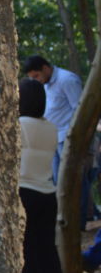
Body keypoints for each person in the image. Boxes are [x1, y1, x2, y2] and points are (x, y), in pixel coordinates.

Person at [19, 77, 63, 273]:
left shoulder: (19, 125)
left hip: (25, 193)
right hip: (48, 194)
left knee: (28, 257)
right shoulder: (52, 128)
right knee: (48, 254)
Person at [24, 55, 82, 183]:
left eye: (36, 76)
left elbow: (79, 110)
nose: (36, 80)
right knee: (57, 181)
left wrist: (73, 136)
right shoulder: (45, 84)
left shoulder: (67, 79)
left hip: (68, 138)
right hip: (53, 138)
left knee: (71, 181)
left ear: (45, 68)